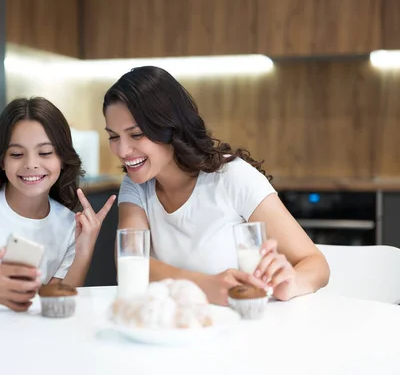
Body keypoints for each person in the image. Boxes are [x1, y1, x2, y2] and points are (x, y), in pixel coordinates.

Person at [102, 66, 330, 305]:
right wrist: (203, 285)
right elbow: (130, 260)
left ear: (170, 127)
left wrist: (291, 282)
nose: (123, 150)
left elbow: (316, 263)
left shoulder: (232, 176)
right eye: (113, 137)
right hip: (173, 330)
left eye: (136, 134)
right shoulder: (135, 184)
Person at [0, 97, 115, 311]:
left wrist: (84, 250)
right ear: (2, 160)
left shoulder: (69, 225)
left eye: (45, 153)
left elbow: (56, 305)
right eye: (17, 154)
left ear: (62, 158)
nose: (31, 164)